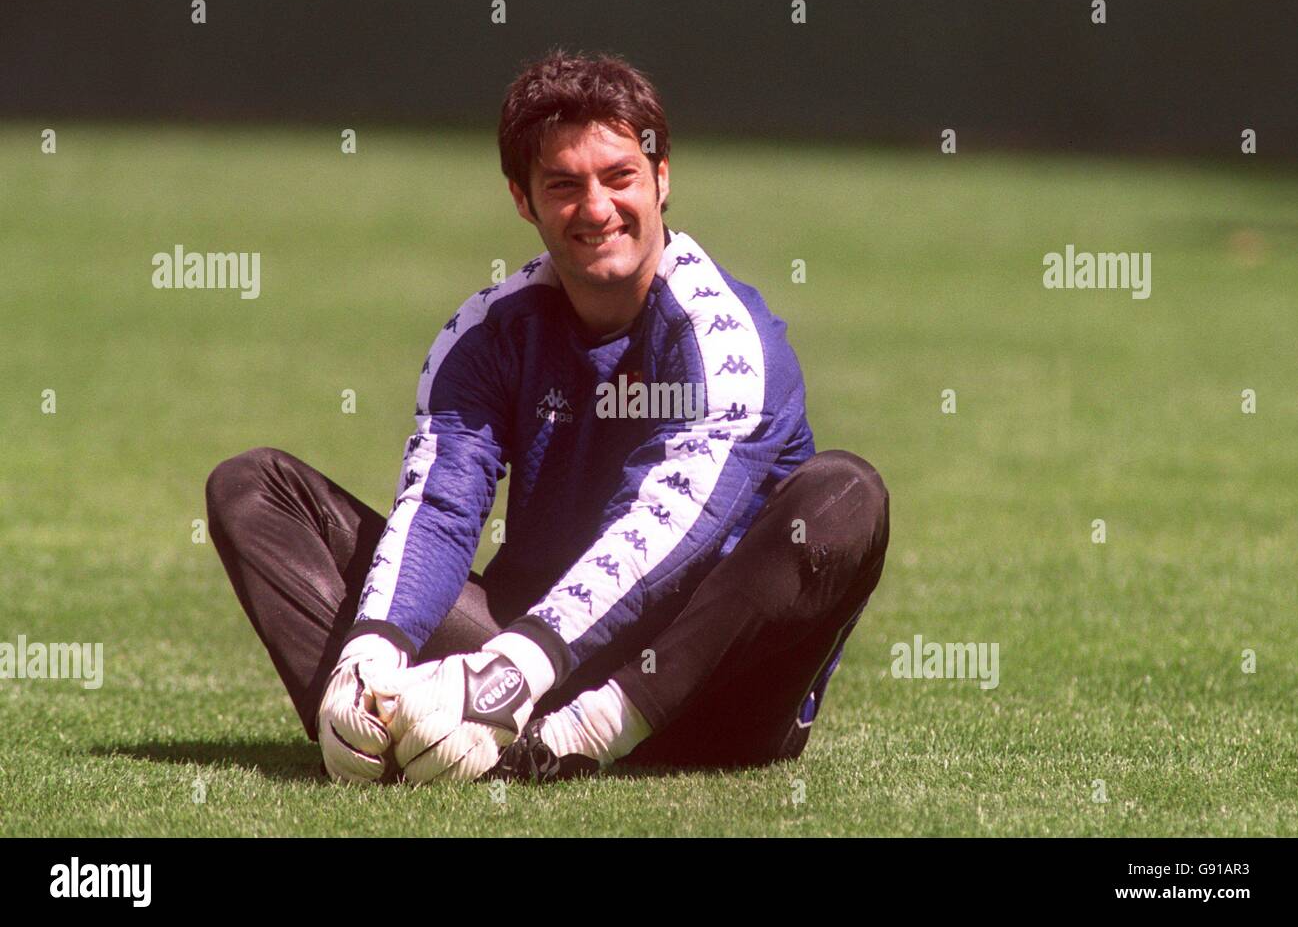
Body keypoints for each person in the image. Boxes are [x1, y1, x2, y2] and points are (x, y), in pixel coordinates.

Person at [205, 49, 889, 785]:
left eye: (620, 177)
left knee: (848, 493)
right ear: (522, 200)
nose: (596, 209)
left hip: (705, 700)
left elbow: (667, 529)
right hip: (527, 669)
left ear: (662, 179)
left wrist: (520, 666)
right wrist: (369, 651)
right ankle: (373, 734)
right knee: (254, 489)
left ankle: (572, 737)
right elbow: (439, 508)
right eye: (563, 186)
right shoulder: (489, 334)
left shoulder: (726, 338)